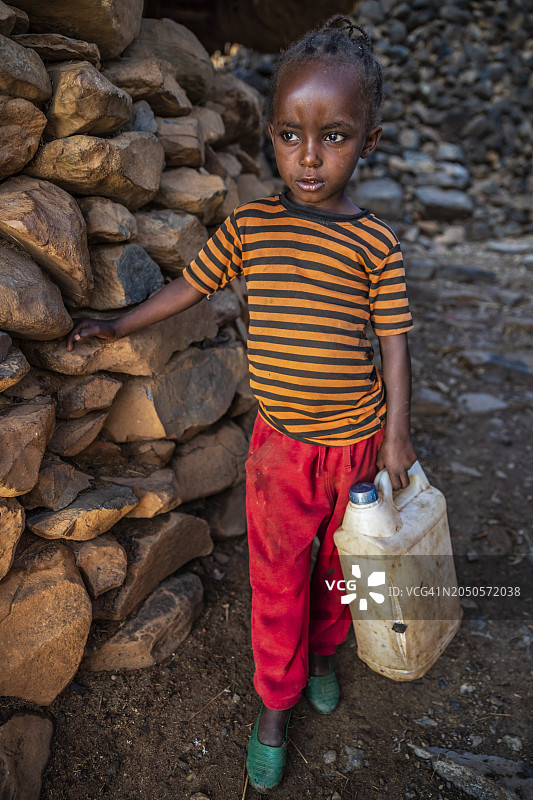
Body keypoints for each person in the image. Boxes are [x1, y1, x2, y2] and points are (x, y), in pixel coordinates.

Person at [67, 15, 416, 792]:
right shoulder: (252, 229)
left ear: (371, 142)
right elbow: (193, 286)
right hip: (282, 449)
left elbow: (393, 344)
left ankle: (327, 651)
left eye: (334, 136)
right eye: (290, 135)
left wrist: (396, 438)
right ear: (272, 135)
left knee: (337, 565)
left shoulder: (375, 245)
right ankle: (273, 704)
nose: (309, 157)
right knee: (279, 575)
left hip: (356, 445)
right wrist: (117, 322)